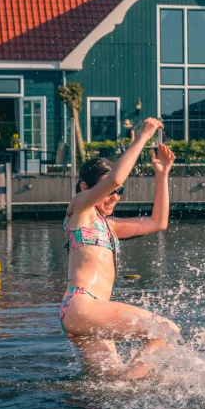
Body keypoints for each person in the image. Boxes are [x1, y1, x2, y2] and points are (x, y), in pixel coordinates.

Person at [61, 117, 182, 380]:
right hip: (83, 304)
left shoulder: (110, 226)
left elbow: (157, 222)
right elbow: (116, 177)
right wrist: (142, 137)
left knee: (109, 382)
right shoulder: (79, 209)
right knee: (166, 330)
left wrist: (161, 176)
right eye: (110, 191)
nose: (116, 196)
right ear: (85, 188)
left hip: (86, 315)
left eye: (120, 192)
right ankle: (136, 392)